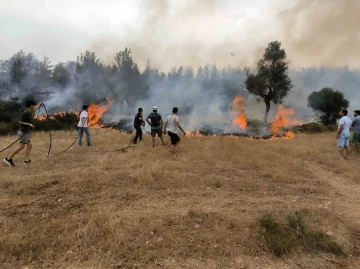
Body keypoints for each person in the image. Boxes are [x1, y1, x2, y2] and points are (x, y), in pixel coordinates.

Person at [4, 100, 42, 167]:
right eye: (33, 105)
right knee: (21, 147)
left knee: (29, 145)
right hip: (22, 132)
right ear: (30, 106)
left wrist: (39, 105)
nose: (34, 106)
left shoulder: (30, 111)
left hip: (26, 133)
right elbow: (20, 122)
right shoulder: (26, 113)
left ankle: (26, 160)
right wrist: (29, 124)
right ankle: (8, 159)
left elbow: (34, 109)